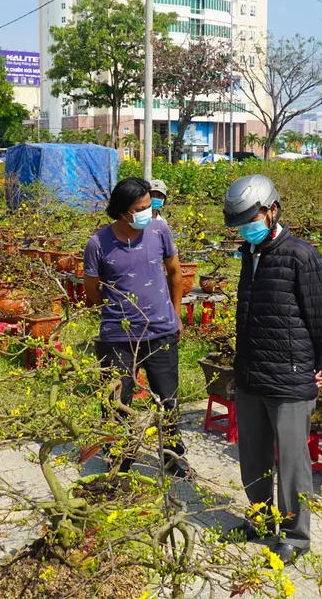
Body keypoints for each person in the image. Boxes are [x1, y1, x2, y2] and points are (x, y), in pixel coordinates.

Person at [223, 174, 322, 564]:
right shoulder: (249, 253)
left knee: (291, 462)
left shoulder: (301, 255)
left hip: (289, 377)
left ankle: (295, 535)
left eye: (250, 219)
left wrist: (316, 367)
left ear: (272, 210)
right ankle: (260, 519)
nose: (245, 228)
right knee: (253, 457)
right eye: (240, 223)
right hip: (251, 374)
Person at [83, 177, 190, 477]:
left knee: (167, 398)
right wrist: (119, 311)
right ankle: (120, 456)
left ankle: (172, 454)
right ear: (121, 211)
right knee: (117, 400)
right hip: (118, 338)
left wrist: (176, 314)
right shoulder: (98, 244)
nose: (147, 213)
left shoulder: (159, 231)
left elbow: (175, 273)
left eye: (148, 206)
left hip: (161, 332)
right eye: (140, 208)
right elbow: (92, 290)